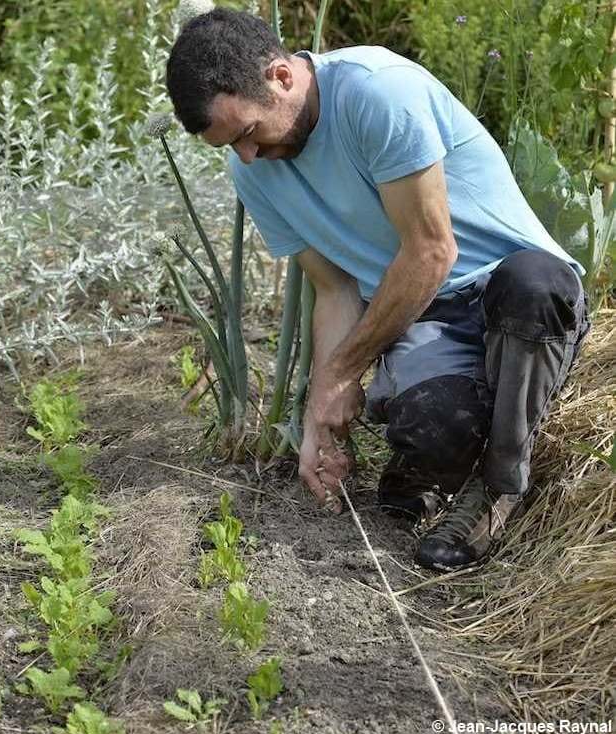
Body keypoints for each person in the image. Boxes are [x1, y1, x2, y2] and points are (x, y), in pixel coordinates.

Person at [166, 9, 590, 571]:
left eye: (247, 134)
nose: (247, 156)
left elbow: (432, 252)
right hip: (426, 314)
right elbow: (335, 289)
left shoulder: (375, 92)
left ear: (281, 77)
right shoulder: (253, 171)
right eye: (230, 147)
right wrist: (321, 417)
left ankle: (501, 485)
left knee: (534, 283)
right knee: (431, 427)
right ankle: (439, 460)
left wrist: (344, 373)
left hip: (513, 294)